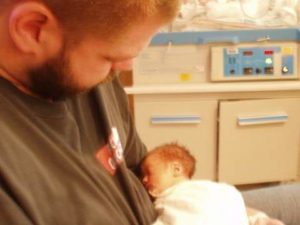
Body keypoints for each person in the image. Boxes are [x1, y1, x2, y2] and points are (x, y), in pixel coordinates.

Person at [0, 0, 181, 224]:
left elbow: (138, 167)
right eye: (110, 57)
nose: (127, 65)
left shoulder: (91, 76)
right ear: (32, 28)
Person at [141, 142, 285, 225]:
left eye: (148, 172)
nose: (144, 180)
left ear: (176, 169)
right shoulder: (165, 201)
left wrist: (261, 219)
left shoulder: (215, 190)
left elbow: (234, 207)